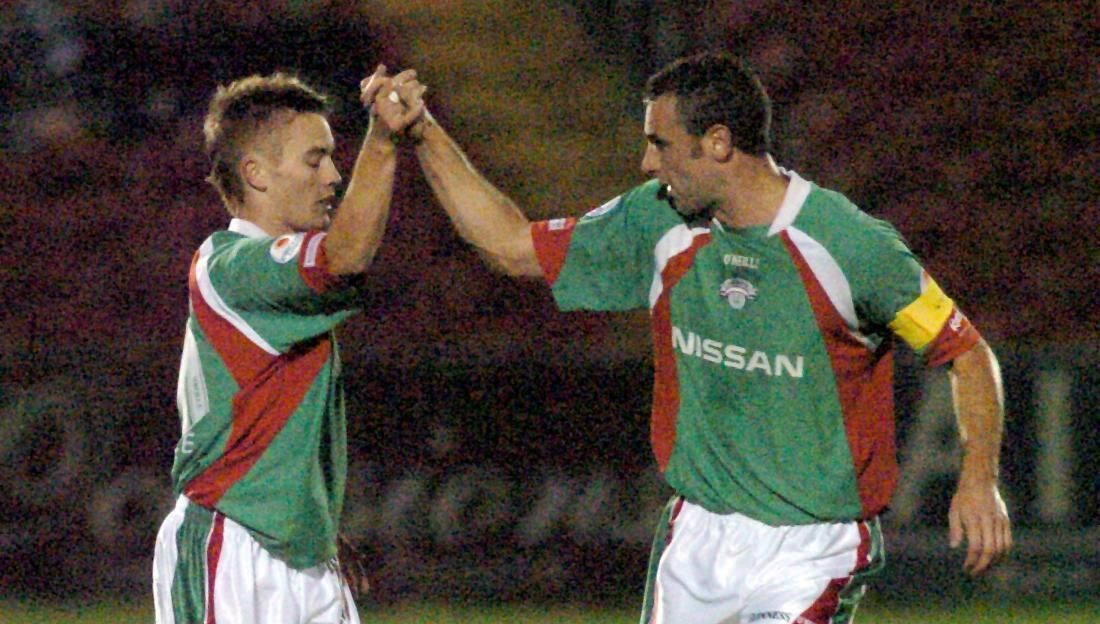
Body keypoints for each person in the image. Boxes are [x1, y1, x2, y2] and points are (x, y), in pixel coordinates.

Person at [380, 52, 1012, 623]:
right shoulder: (656, 218)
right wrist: (424, 132)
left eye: (660, 143)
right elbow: (511, 246)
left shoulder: (849, 245)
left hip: (811, 549)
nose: (647, 162)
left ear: (717, 143)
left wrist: (978, 478)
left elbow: (965, 351)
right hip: (698, 541)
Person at [152, 65, 426, 624]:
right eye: (315, 158)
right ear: (255, 173)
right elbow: (345, 256)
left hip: (300, 553)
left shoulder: (272, 283)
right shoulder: (230, 268)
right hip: (230, 546)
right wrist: (382, 136)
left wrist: (308, 525)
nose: (333, 176)